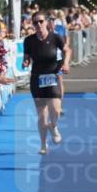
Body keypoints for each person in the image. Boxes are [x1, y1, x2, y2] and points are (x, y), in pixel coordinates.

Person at [21, 12, 70, 155]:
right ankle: (43, 145)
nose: (38, 25)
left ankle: (53, 126)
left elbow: (67, 50)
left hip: (52, 77)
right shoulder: (29, 40)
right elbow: (27, 57)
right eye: (35, 23)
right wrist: (25, 62)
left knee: (56, 110)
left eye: (41, 21)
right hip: (37, 79)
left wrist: (66, 63)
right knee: (42, 115)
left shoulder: (55, 37)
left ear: (46, 22)